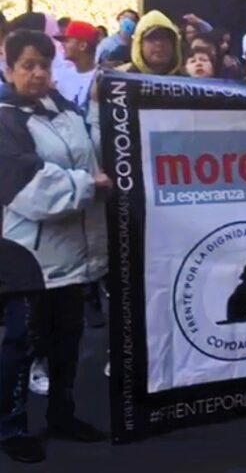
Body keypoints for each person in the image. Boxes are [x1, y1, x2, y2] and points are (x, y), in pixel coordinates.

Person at [0, 30, 109, 463]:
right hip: (29, 257)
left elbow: (91, 155)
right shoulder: (6, 119)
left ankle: (63, 414)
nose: (38, 73)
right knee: (23, 344)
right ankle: (11, 426)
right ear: (8, 69)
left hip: (73, 253)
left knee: (68, 340)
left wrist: (99, 109)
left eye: (45, 64)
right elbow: (24, 183)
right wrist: (88, 186)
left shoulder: (63, 110)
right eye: (27, 65)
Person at [55, 21, 107, 328]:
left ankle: (98, 287)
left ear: (84, 45)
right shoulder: (60, 76)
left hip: (96, 159)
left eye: (69, 40)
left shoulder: (102, 77)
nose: (64, 45)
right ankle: (85, 291)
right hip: (69, 159)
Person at [116, 10, 183, 76]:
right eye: (152, 37)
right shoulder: (119, 78)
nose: (159, 43)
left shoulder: (189, 82)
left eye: (165, 37)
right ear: (139, 44)